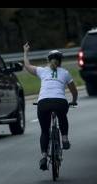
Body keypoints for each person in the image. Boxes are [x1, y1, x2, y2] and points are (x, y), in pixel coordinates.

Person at [23, 42, 78, 171]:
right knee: (62, 116)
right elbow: (74, 91)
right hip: (60, 102)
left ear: (48, 60)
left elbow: (27, 66)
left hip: (43, 103)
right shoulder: (65, 72)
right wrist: (74, 100)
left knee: (44, 130)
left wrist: (25, 52)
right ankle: (64, 138)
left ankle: (43, 156)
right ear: (61, 61)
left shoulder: (42, 71)